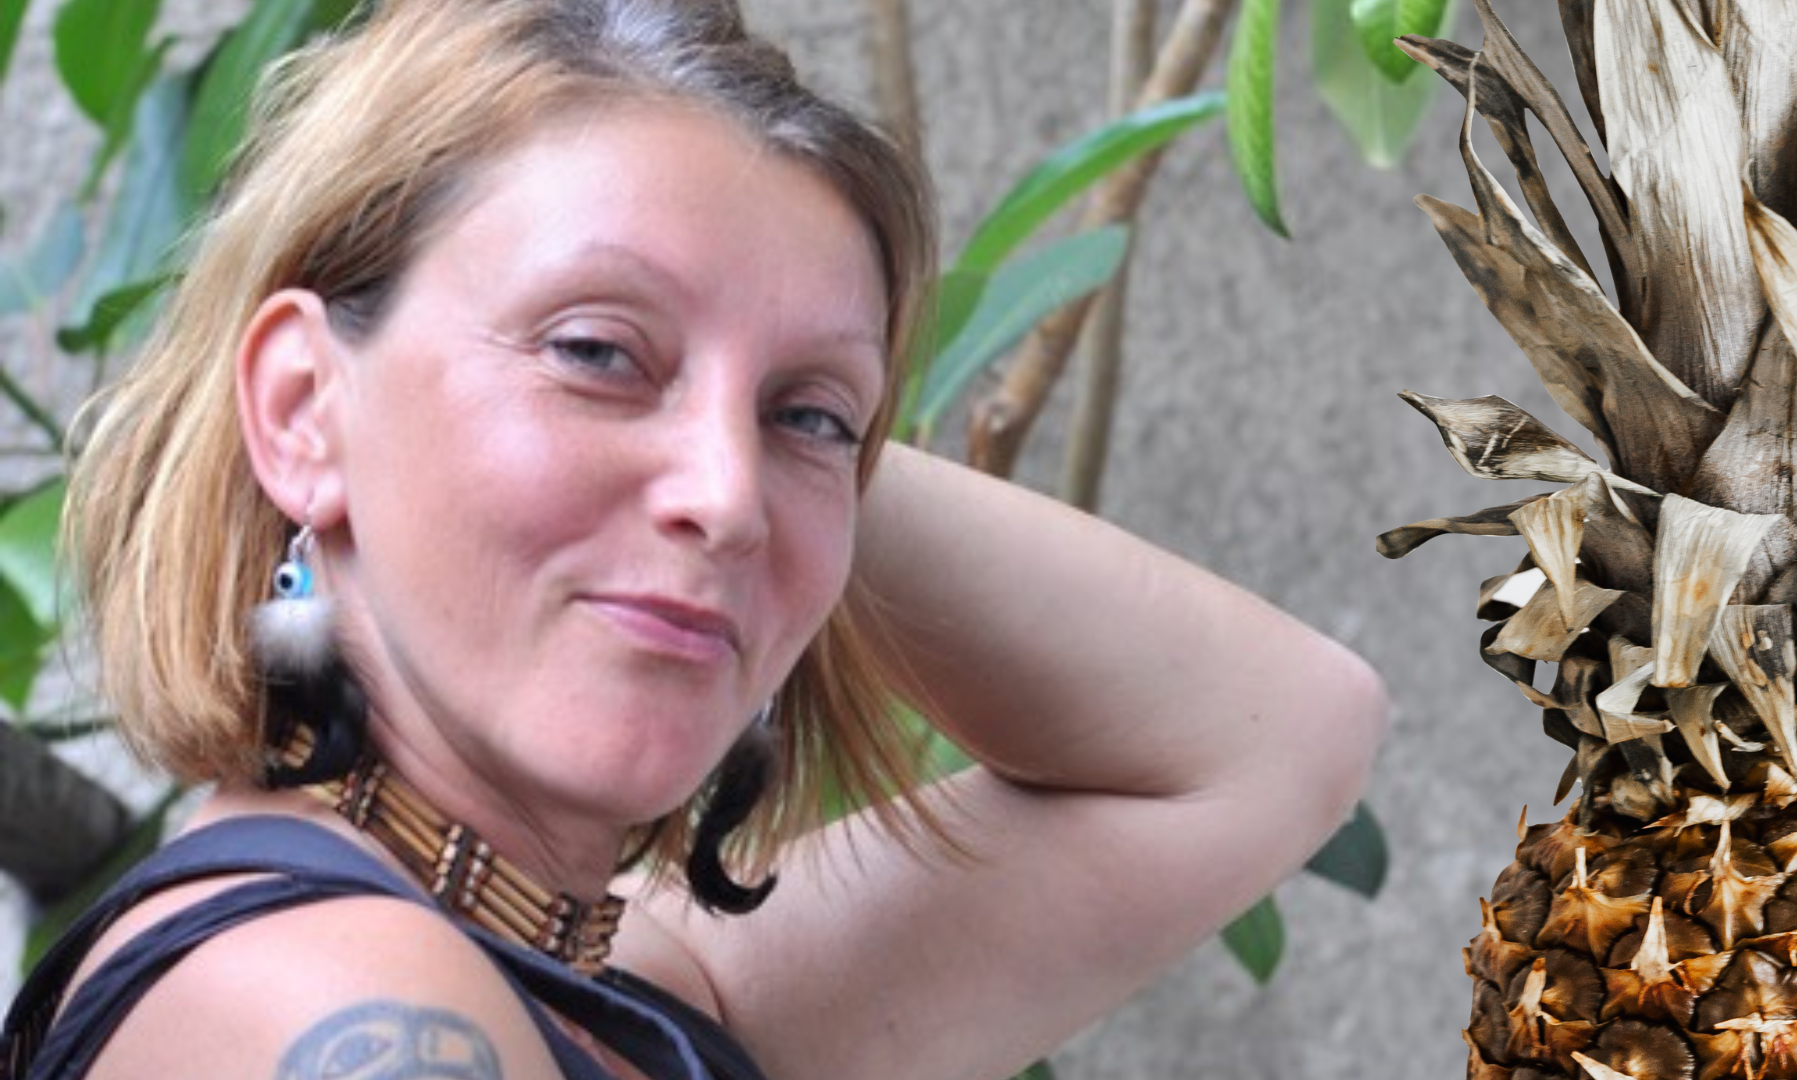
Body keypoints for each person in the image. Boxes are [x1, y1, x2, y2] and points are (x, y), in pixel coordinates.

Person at [1, 1, 1388, 1079]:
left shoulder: (630, 987)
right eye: (596, 350)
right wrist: (770, 415)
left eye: (813, 417)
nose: (726, 497)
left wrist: (767, 431)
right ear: (305, 407)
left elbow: (1280, 737)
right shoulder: (340, 1001)